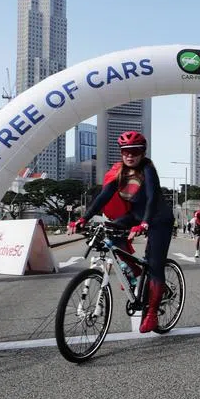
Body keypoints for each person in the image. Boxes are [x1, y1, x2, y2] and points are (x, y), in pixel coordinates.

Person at [69, 131, 173, 333]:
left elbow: (151, 198)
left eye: (134, 152)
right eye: (125, 152)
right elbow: (103, 196)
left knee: (155, 265)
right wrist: (84, 218)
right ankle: (135, 274)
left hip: (158, 218)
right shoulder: (119, 171)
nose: (130, 156)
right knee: (108, 233)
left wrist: (144, 224)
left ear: (142, 153)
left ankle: (151, 314)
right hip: (134, 215)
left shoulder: (148, 169)